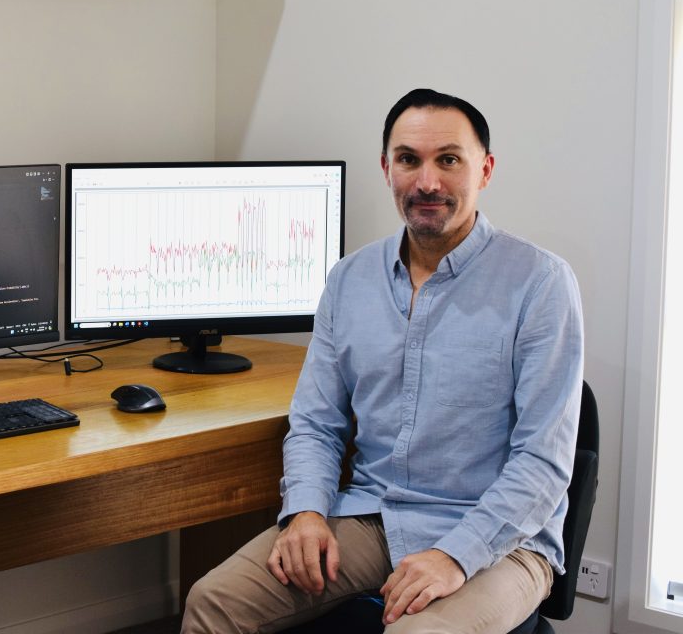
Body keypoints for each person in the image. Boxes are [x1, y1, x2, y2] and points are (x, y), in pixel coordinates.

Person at [181, 89, 584, 634]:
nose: (427, 182)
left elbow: (543, 464)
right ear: (386, 167)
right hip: (374, 516)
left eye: (448, 160)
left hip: (502, 540)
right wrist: (305, 512)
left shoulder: (540, 283)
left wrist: (455, 556)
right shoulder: (349, 280)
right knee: (214, 601)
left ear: (484, 170)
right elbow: (316, 424)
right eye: (408, 160)